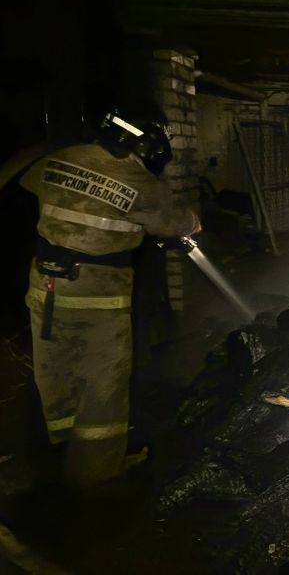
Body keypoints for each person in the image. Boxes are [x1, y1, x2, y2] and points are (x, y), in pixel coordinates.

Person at [20, 106, 200, 487]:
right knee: (103, 381)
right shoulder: (138, 180)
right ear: (148, 145)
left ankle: (61, 445)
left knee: (56, 367)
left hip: (46, 286)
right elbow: (176, 222)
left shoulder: (61, 158)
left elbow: (40, 192)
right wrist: (192, 222)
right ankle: (97, 473)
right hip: (98, 294)